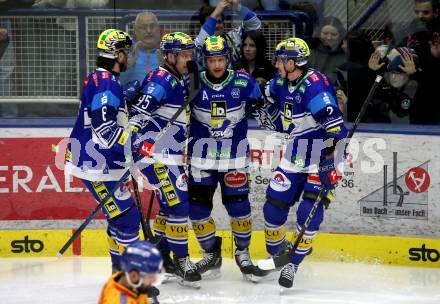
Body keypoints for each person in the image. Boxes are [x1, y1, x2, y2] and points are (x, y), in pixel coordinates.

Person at [253, 37, 347, 288]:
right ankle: (278, 255)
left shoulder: (314, 88)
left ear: (293, 63)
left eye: (281, 60)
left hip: (324, 155)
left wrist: (328, 164)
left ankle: (292, 264)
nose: (276, 64)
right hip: (296, 153)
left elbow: (337, 134)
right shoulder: (282, 82)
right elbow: (262, 96)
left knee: (309, 213)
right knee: (273, 207)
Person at [187, 35, 264, 281]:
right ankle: (211, 255)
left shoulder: (244, 82)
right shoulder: (193, 83)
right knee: (197, 210)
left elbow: (265, 108)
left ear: (227, 59)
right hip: (201, 158)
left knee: (240, 208)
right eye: (212, 60)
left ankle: (243, 253)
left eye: (221, 59)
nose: (217, 65)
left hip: (235, 159)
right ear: (204, 61)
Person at [127, 32, 201, 288]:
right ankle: (181, 261)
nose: (188, 60)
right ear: (170, 56)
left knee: (171, 207)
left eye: (190, 55)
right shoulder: (161, 80)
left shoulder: (177, 78)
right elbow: (138, 113)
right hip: (156, 155)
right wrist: (136, 143)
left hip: (170, 154)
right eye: (183, 55)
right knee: (179, 206)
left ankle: (159, 256)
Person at [64, 29, 141, 273]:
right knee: (127, 219)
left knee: (119, 218)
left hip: (96, 161)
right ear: (117, 54)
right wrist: (134, 146)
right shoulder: (107, 83)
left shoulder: (101, 78)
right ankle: (132, 279)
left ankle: (119, 272)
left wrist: (125, 96)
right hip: (95, 163)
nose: (128, 57)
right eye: (126, 52)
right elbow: (105, 129)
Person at [196, 0, 261, 68]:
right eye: (212, 23)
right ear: (202, 26)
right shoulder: (198, 44)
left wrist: (238, 7)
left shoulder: (234, 37)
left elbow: (255, 25)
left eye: (219, 22)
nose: (216, 26)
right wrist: (216, 13)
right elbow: (199, 44)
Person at [120, 11, 164, 85]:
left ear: (159, 29)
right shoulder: (125, 54)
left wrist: (167, 69)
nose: (149, 31)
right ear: (135, 31)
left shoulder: (169, 54)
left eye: (152, 26)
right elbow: (116, 84)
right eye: (143, 27)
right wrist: (127, 67)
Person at [308, 16, 346, 83]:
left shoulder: (345, 54)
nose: (329, 38)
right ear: (319, 33)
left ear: (340, 36)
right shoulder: (311, 52)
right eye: (325, 33)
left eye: (334, 34)